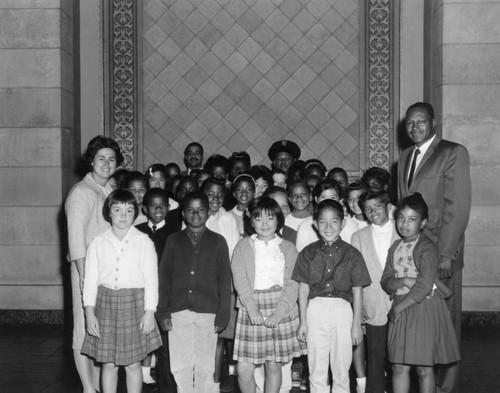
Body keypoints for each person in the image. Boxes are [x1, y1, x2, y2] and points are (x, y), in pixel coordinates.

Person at [398, 102, 471, 393]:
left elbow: (459, 208)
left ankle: (447, 386)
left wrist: (446, 255)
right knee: (421, 322)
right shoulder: (404, 156)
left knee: (445, 324)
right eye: (410, 123)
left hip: (442, 253)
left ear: (434, 123)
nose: (415, 127)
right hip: (414, 253)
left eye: (421, 122)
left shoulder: (453, 152)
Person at [81, 189, 162, 393]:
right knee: (109, 363)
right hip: (105, 305)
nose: (123, 216)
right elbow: (89, 281)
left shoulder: (144, 242)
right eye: (117, 210)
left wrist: (149, 312)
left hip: (134, 305)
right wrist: (89, 312)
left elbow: (152, 280)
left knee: (133, 363)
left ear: (135, 212)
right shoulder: (97, 242)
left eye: (128, 210)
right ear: (109, 212)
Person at [381, 193, 460, 393]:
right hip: (402, 307)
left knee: (424, 369)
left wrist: (398, 308)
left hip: (423, 308)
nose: (405, 224)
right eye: (401, 218)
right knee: (398, 366)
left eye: (412, 219)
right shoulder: (395, 247)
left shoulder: (428, 247)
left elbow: (425, 285)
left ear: (423, 223)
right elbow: (386, 280)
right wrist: (405, 280)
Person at [292, 199, 371, 393]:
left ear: (343, 223)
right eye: (323, 222)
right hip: (315, 309)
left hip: (343, 311)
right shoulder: (307, 253)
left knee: (342, 368)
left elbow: (357, 291)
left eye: (334, 221)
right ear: (315, 224)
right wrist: (303, 321)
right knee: (316, 367)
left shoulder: (353, 254)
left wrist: (356, 326)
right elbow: (303, 289)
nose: (328, 227)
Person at [65, 135, 124, 393]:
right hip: (86, 270)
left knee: (100, 332)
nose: (106, 163)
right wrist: (85, 282)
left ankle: (101, 386)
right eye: (101, 158)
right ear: (91, 161)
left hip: (109, 273)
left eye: (111, 159)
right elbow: (76, 243)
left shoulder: (109, 190)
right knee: (84, 331)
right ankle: (89, 388)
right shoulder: (81, 193)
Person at [157, 191, 232, 393]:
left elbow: (225, 281)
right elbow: (163, 279)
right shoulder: (173, 240)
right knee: (180, 365)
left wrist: (223, 314)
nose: (196, 214)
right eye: (190, 210)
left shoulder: (218, 241)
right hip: (178, 312)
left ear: (208, 213)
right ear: (183, 214)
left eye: (201, 210)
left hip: (208, 313)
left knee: (205, 366)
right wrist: (163, 311)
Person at [231, 197, 306, 393]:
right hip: (251, 308)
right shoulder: (243, 246)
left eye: (269, 218)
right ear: (251, 221)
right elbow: (240, 280)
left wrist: (279, 313)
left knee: (273, 365)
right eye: (258, 218)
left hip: (280, 307)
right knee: (244, 370)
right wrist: (252, 309)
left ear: (278, 220)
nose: (264, 224)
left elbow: (293, 283)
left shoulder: (288, 247)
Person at [351, 190, 399, 393]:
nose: (373, 212)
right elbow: (355, 277)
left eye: (377, 206)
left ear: (388, 207)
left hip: (402, 303)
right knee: (375, 357)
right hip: (373, 306)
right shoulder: (358, 236)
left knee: (400, 359)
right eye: (368, 209)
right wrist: (358, 307)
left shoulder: (402, 230)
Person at [136, 188, 178, 392]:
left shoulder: (175, 232)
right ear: (144, 208)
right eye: (153, 205)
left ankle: (167, 387)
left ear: (169, 208)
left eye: (162, 205)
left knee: (165, 347)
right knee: (141, 341)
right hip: (142, 295)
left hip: (165, 296)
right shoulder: (138, 231)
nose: (158, 208)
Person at [295, 179, 358, 251]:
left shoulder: (350, 224)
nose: (328, 201)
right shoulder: (305, 226)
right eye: (323, 197)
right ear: (316, 199)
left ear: (340, 200)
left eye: (333, 197)